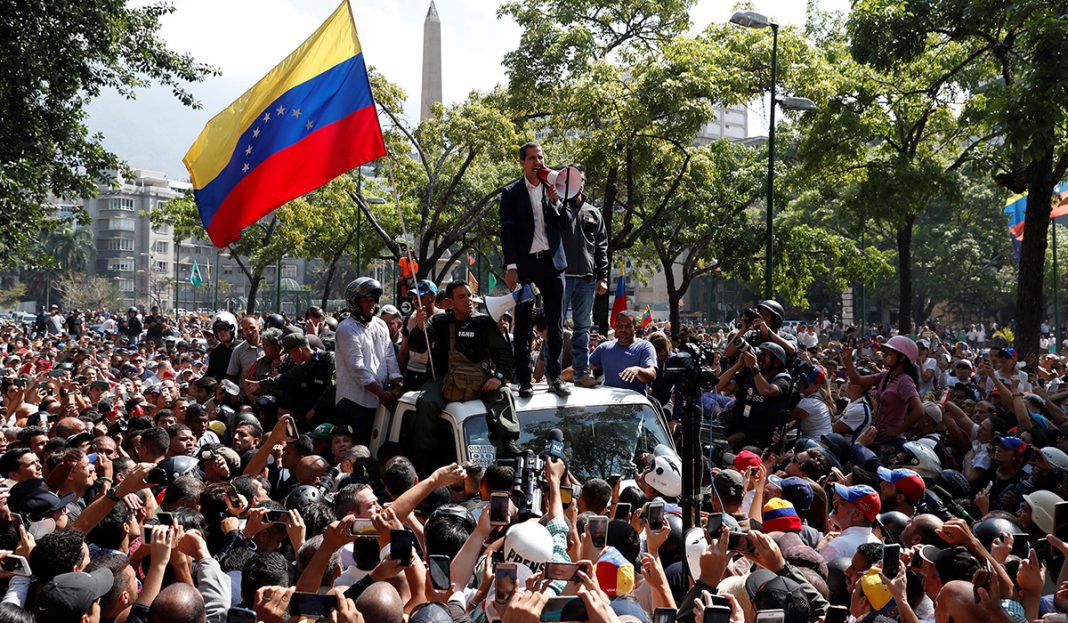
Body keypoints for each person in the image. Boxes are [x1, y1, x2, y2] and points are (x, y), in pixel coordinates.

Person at [408, 280, 517, 473]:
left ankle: (509, 443)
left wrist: (498, 377)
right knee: (426, 402)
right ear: (450, 302)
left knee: (504, 394)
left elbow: (503, 353)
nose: (468, 300)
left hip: (480, 380)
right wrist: (419, 327)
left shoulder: (484, 323)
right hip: (443, 378)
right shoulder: (438, 322)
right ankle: (425, 457)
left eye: (469, 295)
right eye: (461, 297)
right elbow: (417, 346)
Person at [499, 141, 570, 398]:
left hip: (552, 263)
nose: (537, 162)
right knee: (524, 323)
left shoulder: (553, 189)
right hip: (526, 265)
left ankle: (555, 376)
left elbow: (566, 224)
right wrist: (512, 267)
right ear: (522, 163)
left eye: (540, 157)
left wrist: (557, 203)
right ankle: (524, 378)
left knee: (556, 323)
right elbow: (507, 233)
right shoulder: (511, 193)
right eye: (531, 158)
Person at [335, 278, 403, 445]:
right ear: (354, 302)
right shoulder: (346, 329)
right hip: (355, 402)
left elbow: (389, 356)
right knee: (357, 449)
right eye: (366, 300)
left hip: (379, 401)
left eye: (373, 300)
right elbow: (357, 368)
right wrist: (381, 393)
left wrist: (397, 382)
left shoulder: (380, 324)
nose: (371, 304)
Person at [558, 164, 608, 387]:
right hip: (562, 277)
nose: (580, 183)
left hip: (587, 278)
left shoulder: (593, 212)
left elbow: (602, 247)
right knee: (555, 326)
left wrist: (603, 277)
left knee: (582, 329)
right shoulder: (557, 208)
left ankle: (580, 374)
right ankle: (553, 374)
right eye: (575, 179)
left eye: (582, 179)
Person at [586, 311, 657, 393]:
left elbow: (652, 374)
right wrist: (567, 377)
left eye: (627, 326)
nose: (623, 329)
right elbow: (582, 368)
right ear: (615, 327)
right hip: (609, 402)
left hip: (633, 403)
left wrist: (638, 371)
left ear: (635, 328)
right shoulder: (604, 348)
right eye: (620, 326)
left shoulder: (645, 347)